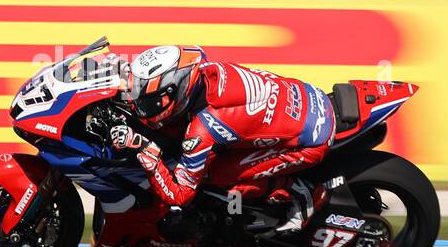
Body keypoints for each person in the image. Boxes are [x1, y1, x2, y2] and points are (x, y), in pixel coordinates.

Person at [109, 45, 334, 234]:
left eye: (151, 102)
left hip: (311, 140)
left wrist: (143, 149)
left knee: (216, 176)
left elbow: (179, 195)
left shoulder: (204, 130)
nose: (142, 108)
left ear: (177, 91)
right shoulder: (202, 69)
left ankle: (299, 191)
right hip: (307, 97)